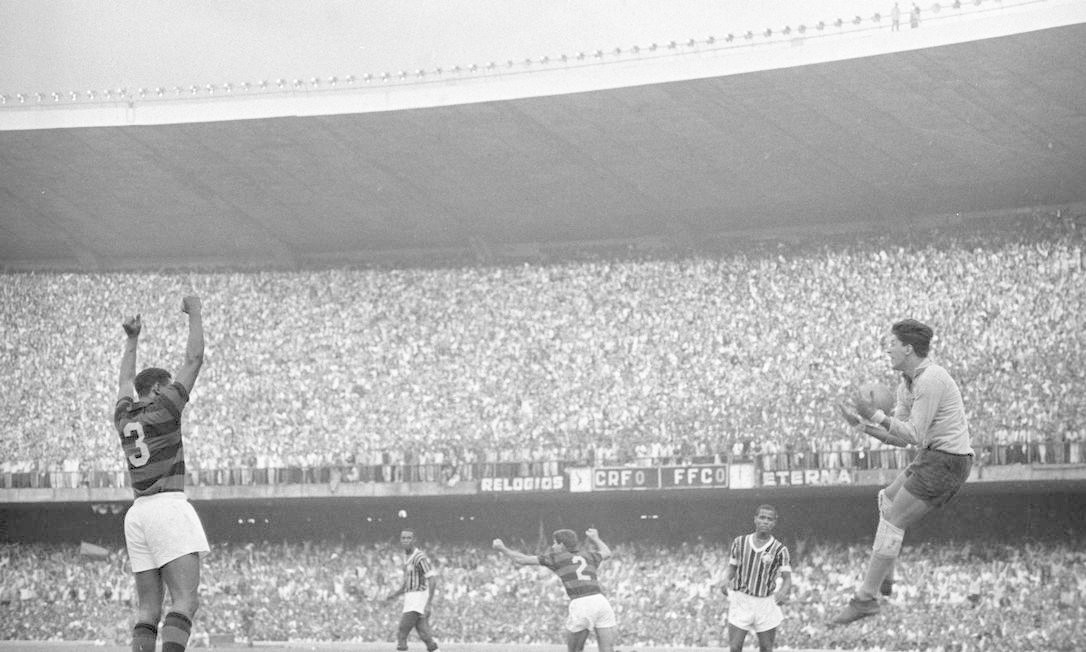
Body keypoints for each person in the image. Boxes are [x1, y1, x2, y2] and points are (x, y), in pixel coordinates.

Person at [834, 318, 973, 624]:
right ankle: (886, 578)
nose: (888, 350)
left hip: (947, 460)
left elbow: (914, 434)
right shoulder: (905, 383)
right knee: (886, 500)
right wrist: (863, 424)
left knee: (895, 519)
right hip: (932, 457)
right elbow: (898, 436)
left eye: (892, 344)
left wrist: (877, 415)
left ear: (908, 348)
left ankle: (865, 598)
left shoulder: (931, 379)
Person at [114, 295, 209, 652]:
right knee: (185, 601)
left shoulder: (123, 418)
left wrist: (132, 339)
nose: (172, 390)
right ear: (156, 389)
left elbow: (124, 382)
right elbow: (194, 359)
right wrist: (195, 312)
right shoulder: (165, 408)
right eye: (166, 385)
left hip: (137, 513)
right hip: (168, 506)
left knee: (148, 609)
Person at [492, 528, 617, 652]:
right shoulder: (589, 555)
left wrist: (502, 549)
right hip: (601, 602)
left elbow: (522, 559)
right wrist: (596, 538)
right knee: (607, 650)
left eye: (555, 543)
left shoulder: (557, 557)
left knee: (575, 650)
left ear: (562, 545)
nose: (553, 546)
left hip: (582, 603)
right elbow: (607, 552)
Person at [720, 505, 792, 652]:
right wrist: (726, 579)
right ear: (755, 519)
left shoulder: (780, 549)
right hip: (742, 599)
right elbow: (732, 567)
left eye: (769, 519)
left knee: (766, 648)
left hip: (765, 602)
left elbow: (787, 578)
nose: (765, 521)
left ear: (774, 523)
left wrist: (783, 591)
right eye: (762, 517)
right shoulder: (740, 542)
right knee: (735, 647)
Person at [384, 528, 439, 652]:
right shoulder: (406, 557)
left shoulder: (419, 557)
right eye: (403, 538)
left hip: (417, 598)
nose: (405, 540)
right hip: (411, 597)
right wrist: (394, 595)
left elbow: (432, 579)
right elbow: (407, 583)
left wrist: (429, 604)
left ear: (414, 540)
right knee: (425, 635)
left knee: (402, 632)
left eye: (408, 538)